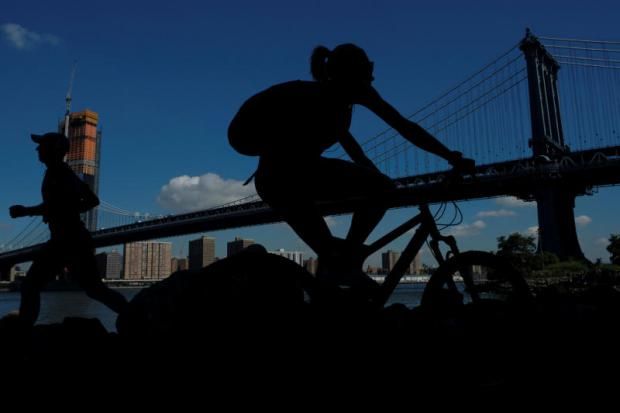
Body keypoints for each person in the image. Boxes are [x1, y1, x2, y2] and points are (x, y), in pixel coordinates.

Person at [228, 43, 474, 286]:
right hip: (284, 179)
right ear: (351, 73)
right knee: (377, 195)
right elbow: (404, 127)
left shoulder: (338, 103)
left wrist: (376, 176)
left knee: (332, 257)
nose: (373, 77)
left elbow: (358, 150)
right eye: (368, 70)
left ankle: (339, 270)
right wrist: (451, 157)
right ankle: (345, 263)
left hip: (276, 180)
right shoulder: (313, 98)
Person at [9, 132, 128, 328]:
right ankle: (134, 315)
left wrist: (27, 211)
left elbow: (66, 204)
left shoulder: (60, 173)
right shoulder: (61, 172)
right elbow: (89, 201)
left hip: (67, 240)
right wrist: (66, 210)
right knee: (95, 289)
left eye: (42, 145)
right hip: (73, 239)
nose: (37, 149)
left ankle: (24, 331)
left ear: (53, 150)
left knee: (31, 285)